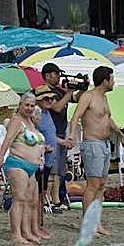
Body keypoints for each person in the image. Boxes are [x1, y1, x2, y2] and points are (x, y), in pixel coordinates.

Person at [0, 93, 46, 244]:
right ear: (20, 105)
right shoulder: (16, 121)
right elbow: (7, 140)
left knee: (29, 200)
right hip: (17, 164)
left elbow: (31, 143)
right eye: (26, 105)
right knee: (19, 199)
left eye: (32, 106)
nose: (29, 108)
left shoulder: (30, 122)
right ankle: (16, 234)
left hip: (31, 167)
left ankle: (26, 232)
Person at [69, 66, 118, 223]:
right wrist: (71, 135)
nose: (114, 82)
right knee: (93, 184)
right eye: (112, 78)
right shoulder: (88, 96)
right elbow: (75, 117)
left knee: (101, 184)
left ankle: (96, 222)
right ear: (105, 81)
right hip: (92, 143)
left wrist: (120, 134)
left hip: (104, 144)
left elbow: (107, 119)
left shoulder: (104, 98)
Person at [39, 63, 74, 211]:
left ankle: (57, 199)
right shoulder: (45, 93)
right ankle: (49, 200)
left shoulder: (59, 90)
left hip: (61, 131)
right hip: (50, 134)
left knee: (60, 170)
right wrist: (69, 92)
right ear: (48, 75)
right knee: (51, 170)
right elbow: (58, 107)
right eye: (56, 74)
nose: (59, 77)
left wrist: (80, 88)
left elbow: (73, 99)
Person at [34, 86, 60, 218]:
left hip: (48, 159)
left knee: (43, 190)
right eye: (46, 98)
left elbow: (50, 134)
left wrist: (63, 142)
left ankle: (39, 221)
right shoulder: (36, 113)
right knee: (38, 191)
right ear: (38, 100)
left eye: (51, 98)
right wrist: (43, 147)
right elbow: (31, 135)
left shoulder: (46, 113)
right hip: (39, 159)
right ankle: (37, 220)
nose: (50, 101)